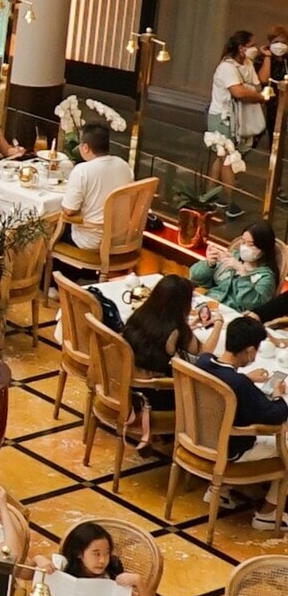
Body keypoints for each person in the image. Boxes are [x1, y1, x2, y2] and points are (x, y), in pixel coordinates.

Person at [196, 316, 288, 527]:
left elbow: (229, 381)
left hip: (201, 438)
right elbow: (275, 415)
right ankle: (267, 513)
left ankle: (218, 491)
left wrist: (247, 379)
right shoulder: (238, 385)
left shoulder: (204, 362)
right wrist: (277, 395)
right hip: (231, 450)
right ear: (249, 351)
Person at [121, 274, 221, 448]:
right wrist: (218, 324)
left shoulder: (140, 314)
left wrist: (191, 326)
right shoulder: (175, 329)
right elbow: (204, 351)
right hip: (153, 394)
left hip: (127, 385)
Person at [35, 523, 155, 596]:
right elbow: (23, 574)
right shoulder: (62, 566)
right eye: (96, 554)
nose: (102, 560)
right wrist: (37, 559)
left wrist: (138, 581)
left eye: (106, 553)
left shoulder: (111, 576)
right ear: (79, 553)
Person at [58, 123, 133, 251]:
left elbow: (69, 210)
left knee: (49, 228)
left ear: (85, 147)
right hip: (120, 238)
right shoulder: (124, 165)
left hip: (91, 241)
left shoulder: (82, 170)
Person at [210, 30, 269, 167]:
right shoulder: (227, 67)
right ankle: (228, 188)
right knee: (228, 157)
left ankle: (212, 186)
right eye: (252, 45)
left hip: (239, 116)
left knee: (224, 158)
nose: (255, 48)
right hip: (223, 117)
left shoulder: (248, 64)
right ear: (241, 48)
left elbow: (257, 85)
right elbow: (238, 92)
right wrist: (260, 97)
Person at [191, 221, 278, 314]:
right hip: (208, 304)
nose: (245, 247)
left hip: (231, 315)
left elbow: (254, 305)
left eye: (251, 245)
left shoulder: (266, 277)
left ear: (264, 249)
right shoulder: (233, 256)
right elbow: (195, 278)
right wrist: (209, 264)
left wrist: (242, 273)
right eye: (243, 242)